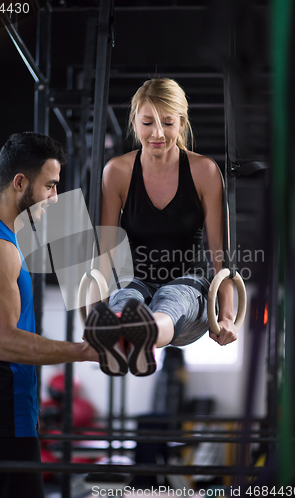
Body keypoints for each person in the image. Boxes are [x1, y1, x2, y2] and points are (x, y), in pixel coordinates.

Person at [0, 132, 98, 498]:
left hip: (6, 418)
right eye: (50, 186)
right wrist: (84, 351)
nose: (55, 198)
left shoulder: (0, 241)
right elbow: (4, 342)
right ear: (20, 182)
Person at [83, 78, 237, 378]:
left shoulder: (204, 171)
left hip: (188, 285)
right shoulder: (117, 172)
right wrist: (93, 316)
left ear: (182, 123)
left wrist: (227, 316)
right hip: (135, 279)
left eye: (168, 123)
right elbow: (103, 253)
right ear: (134, 122)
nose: (157, 133)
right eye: (147, 122)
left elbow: (221, 255)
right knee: (126, 299)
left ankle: (145, 336)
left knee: (170, 300)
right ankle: (122, 335)